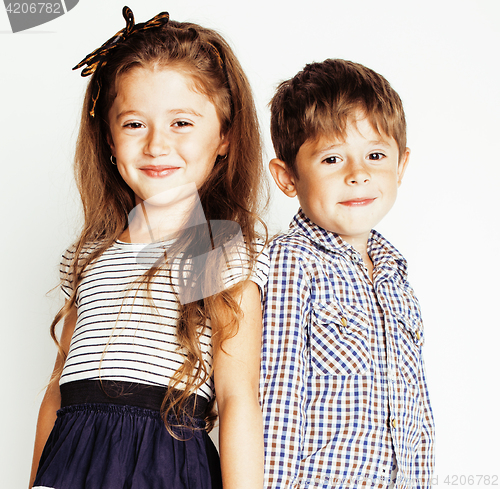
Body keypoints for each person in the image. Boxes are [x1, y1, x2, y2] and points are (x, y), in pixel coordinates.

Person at [30, 7, 268, 489]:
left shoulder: (214, 247)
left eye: (182, 123)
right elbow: (57, 392)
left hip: (166, 467)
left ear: (224, 136)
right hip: (72, 464)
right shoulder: (92, 254)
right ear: (109, 141)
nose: (157, 145)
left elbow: (238, 397)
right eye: (135, 124)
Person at [260, 59, 435, 489]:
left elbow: (418, 414)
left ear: (401, 165)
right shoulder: (291, 263)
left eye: (376, 155)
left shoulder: (396, 277)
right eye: (332, 158)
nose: (358, 174)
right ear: (288, 178)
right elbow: (276, 399)